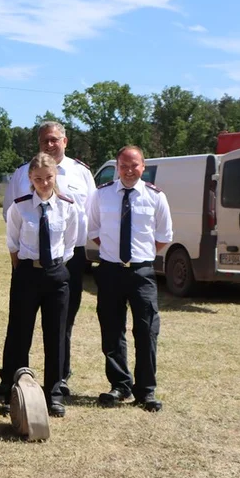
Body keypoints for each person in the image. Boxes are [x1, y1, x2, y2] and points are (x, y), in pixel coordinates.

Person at [2, 121, 96, 398]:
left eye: (55, 139)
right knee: (20, 327)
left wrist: (60, 265)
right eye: (45, 140)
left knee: (60, 326)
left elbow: (86, 217)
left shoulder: (81, 174)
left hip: (66, 261)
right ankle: (12, 379)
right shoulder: (21, 174)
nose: (50, 143)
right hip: (27, 261)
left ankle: (58, 382)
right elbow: (12, 221)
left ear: (65, 141)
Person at [87, 145, 172, 413]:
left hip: (142, 272)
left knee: (146, 330)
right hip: (110, 270)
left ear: (143, 166)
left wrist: (138, 257)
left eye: (134, 165)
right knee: (112, 330)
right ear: (117, 166)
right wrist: (115, 252)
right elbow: (94, 229)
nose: (129, 170)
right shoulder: (101, 195)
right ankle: (120, 385)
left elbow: (163, 237)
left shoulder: (156, 197)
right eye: (123, 165)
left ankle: (146, 391)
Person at [2, 153, 79, 417]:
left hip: (56, 275)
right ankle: (13, 388)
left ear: (55, 176)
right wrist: (24, 269)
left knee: (56, 334)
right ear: (30, 179)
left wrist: (54, 268)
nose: (44, 183)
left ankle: (54, 393)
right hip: (27, 274)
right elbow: (12, 243)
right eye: (38, 179)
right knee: (19, 333)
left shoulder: (68, 206)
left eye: (48, 178)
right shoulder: (20, 206)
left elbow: (70, 245)